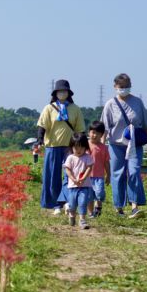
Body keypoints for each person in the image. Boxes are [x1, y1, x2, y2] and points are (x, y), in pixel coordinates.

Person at [100, 73, 147, 218]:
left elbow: (146, 124)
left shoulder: (137, 102)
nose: (123, 89)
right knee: (117, 174)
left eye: (126, 87)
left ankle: (135, 206)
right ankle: (119, 207)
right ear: (115, 87)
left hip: (135, 144)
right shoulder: (110, 104)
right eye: (121, 87)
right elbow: (105, 128)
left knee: (134, 172)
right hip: (116, 144)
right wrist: (100, 146)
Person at [37, 79, 86, 215]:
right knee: (52, 176)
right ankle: (54, 204)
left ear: (69, 93)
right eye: (59, 91)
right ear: (55, 93)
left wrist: (82, 146)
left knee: (69, 175)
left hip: (70, 148)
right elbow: (42, 126)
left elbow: (80, 129)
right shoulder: (49, 108)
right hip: (52, 147)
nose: (62, 93)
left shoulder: (75, 109)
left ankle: (66, 201)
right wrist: (40, 139)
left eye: (64, 91)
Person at [63, 133, 94, 229]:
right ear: (72, 147)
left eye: (81, 147)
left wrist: (83, 178)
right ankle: (71, 214)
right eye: (76, 147)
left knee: (82, 202)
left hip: (84, 186)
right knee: (72, 204)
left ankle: (82, 220)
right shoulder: (70, 157)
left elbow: (89, 168)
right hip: (72, 186)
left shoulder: (87, 157)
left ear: (85, 147)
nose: (78, 150)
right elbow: (67, 169)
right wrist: (73, 179)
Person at [87, 121, 111, 218]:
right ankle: (90, 213)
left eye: (97, 133)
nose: (94, 135)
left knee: (99, 193)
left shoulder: (103, 148)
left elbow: (106, 162)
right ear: (89, 132)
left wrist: (108, 175)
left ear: (101, 135)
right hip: (87, 176)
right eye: (92, 132)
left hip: (99, 176)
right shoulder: (85, 145)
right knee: (89, 196)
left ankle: (99, 206)